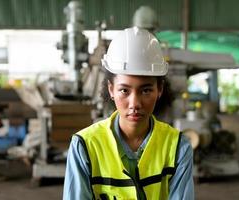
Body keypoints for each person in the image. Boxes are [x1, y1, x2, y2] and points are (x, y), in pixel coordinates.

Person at [63, 27, 194, 200]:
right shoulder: (85, 146)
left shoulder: (178, 147)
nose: (135, 104)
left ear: (159, 89)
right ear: (111, 89)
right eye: (124, 90)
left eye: (146, 91)